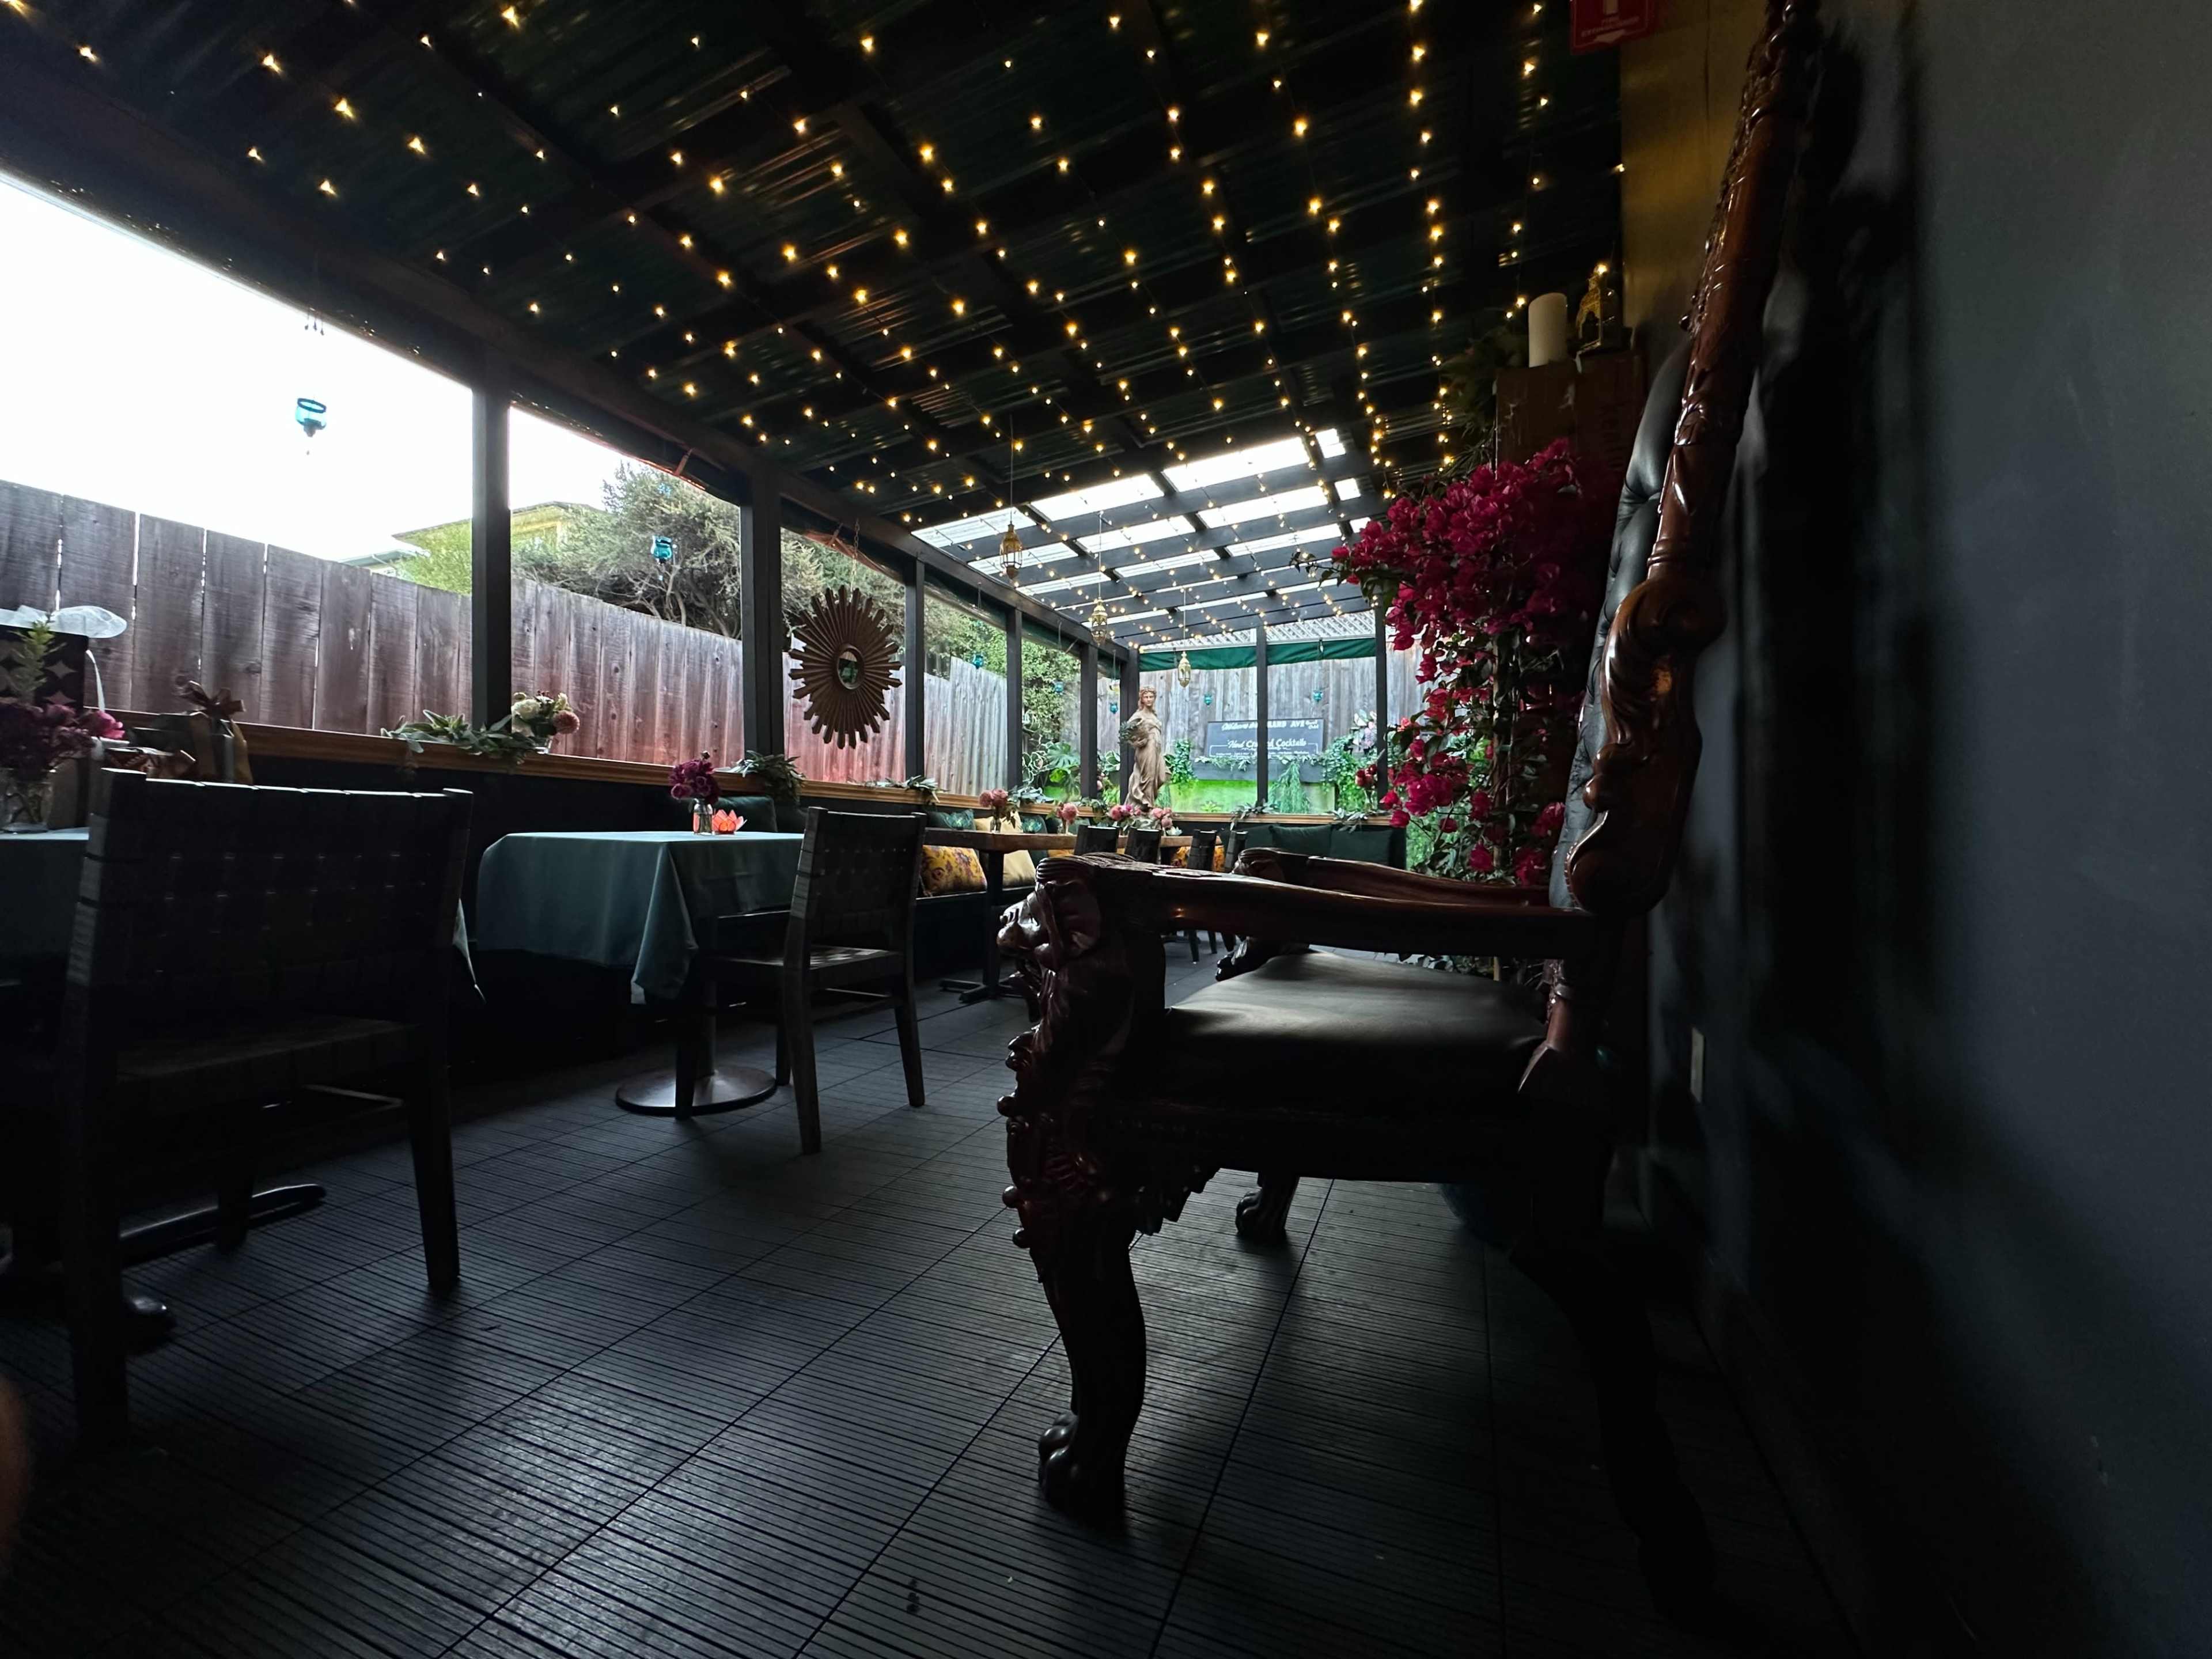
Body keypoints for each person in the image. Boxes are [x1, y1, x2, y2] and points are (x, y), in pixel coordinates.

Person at [1122, 685, 1166, 809]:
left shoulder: (1153, 714)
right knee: (1149, 777)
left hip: (1157, 748)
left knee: (1161, 777)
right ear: (1142, 699)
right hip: (1148, 748)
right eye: (1146, 697)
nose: (1149, 699)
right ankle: (1146, 805)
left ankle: (1148, 801)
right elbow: (1125, 732)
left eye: (1151, 697)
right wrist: (1135, 743)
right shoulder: (1139, 715)